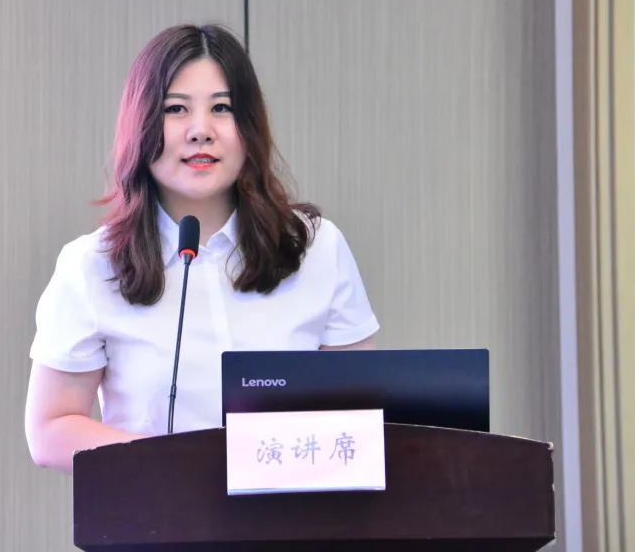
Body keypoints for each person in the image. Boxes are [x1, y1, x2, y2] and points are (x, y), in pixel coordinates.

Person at [25, 24, 378, 472]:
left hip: (293, 513)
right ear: (142, 123)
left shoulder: (315, 248)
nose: (200, 131)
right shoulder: (93, 266)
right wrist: (179, 467)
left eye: (221, 108)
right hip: (158, 511)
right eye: (176, 109)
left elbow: (364, 412)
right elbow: (51, 429)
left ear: (248, 126)